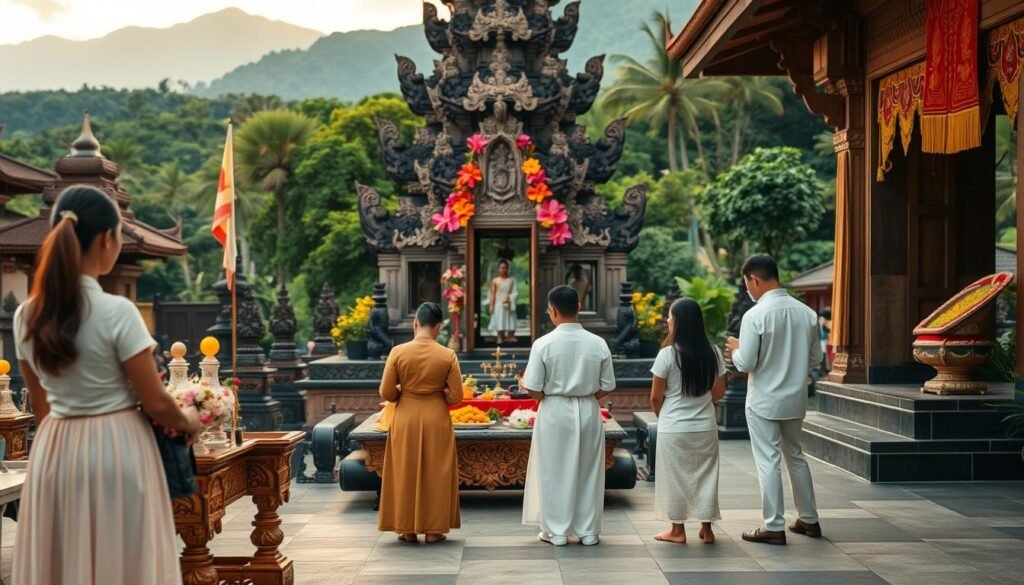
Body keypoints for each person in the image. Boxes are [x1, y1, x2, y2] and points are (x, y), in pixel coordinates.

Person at [12, 185, 201, 585]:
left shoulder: (27, 315)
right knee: (124, 563)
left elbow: (42, 407)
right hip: (117, 449)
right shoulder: (118, 311)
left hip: (55, 451)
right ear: (107, 240)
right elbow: (155, 402)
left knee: (62, 564)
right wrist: (189, 418)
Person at [725, 255, 823, 545]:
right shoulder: (807, 313)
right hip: (795, 398)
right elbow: (816, 358)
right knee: (795, 456)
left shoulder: (755, 315)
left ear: (754, 279)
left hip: (764, 400)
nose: (748, 291)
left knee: (768, 460)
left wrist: (736, 348)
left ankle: (773, 526)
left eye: (747, 285)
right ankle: (809, 519)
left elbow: (744, 363)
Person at [521, 285, 616, 546]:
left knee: (553, 470)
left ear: (552, 311)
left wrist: (548, 399)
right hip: (588, 409)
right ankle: (588, 532)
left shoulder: (543, 344)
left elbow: (532, 386)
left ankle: (557, 531)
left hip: (554, 410)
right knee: (588, 470)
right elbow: (607, 385)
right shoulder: (598, 343)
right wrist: (584, 397)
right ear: (578, 307)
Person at [378, 302, 463, 543]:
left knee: (405, 469)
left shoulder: (398, 352)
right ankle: (434, 531)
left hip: (406, 416)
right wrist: (441, 393)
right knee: (437, 471)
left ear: (415, 323)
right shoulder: (447, 355)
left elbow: (386, 392)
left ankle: (407, 529)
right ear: (438, 327)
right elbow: (456, 396)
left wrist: (400, 390)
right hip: (436, 416)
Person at [650, 298, 727, 545]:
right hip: (705, 426)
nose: (667, 319)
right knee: (706, 476)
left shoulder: (667, 355)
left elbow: (655, 396)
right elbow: (718, 393)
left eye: (670, 316)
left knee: (674, 478)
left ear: (679, 322)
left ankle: (677, 530)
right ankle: (707, 529)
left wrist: (664, 416)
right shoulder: (713, 352)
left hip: (674, 427)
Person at [487, 259, 518, 344]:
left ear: (507, 268)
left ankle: (510, 336)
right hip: (498, 304)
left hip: (509, 304)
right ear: (498, 269)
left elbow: (515, 292)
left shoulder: (512, 280)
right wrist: (491, 306)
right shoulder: (495, 280)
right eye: (501, 267)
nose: (503, 269)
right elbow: (492, 294)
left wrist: (510, 298)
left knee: (510, 320)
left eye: (505, 267)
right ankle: (500, 336)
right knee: (499, 320)